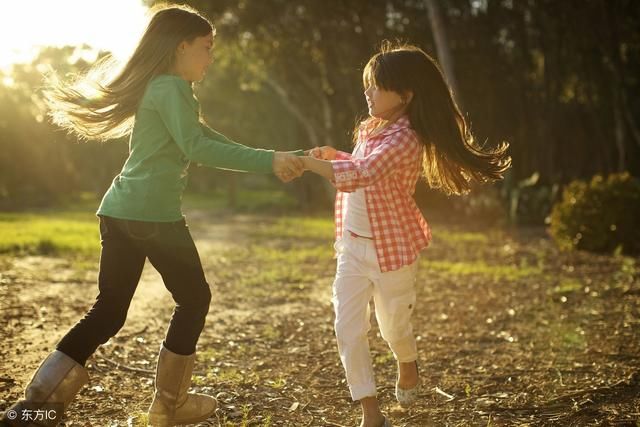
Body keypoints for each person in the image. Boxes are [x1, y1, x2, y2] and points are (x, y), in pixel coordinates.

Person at [1, 4, 304, 427]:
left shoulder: (162, 87)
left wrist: (275, 158)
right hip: (153, 218)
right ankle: (170, 406)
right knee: (194, 298)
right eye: (206, 47)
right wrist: (271, 161)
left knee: (108, 311)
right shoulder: (172, 87)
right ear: (182, 46)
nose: (210, 57)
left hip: (119, 210)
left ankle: (34, 407)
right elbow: (197, 148)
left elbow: (202, 137)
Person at [301, 43, 511, 427]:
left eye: (376, 86)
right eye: (367, 85)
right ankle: (370, 410)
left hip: (391, 250)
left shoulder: (405, 139)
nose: (367, 93)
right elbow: (363, 167)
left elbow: (365, 175)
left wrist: (308, 165)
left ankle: (407, 359)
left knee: (392, 326)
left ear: (405, 94)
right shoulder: (370, 130)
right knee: (347, 328)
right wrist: (337, 156)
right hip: (352, 246)